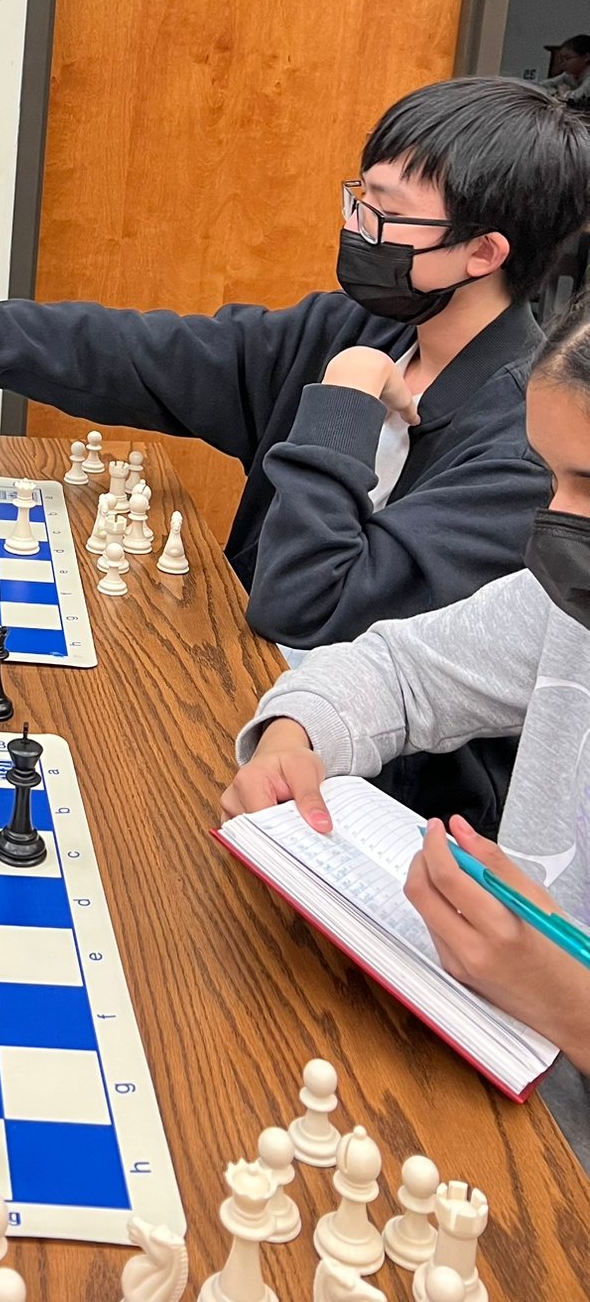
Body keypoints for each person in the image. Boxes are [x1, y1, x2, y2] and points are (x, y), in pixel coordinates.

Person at [0, 78, 590, 826]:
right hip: (233, 710)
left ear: (482, 252)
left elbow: (306, 608)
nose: (357, 227)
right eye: (357, 200)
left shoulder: (533, 452)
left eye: (385, 214)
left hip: (366, 808)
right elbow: (147, 355)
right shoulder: (351, 330)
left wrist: (346, 406)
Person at [220, 291, 590, 1168]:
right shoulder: (565, 604)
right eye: (551, 477)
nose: (558, 516)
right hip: (496, 1075)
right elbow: (401, 669)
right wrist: (295, 733)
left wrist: (568, 1002)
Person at [543, 34, 590, 103]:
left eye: (567, 58)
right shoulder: (569, 75)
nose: (562, 63)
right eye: (561, 59)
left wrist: (560, 93)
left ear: (586, 57)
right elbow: (545, 84)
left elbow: (576, 97)